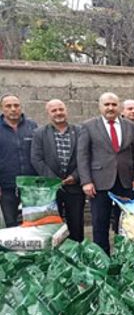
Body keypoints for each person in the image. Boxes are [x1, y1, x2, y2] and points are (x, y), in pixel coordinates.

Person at [77, 92, 134, 254]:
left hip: (126, 181)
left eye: (114, 104)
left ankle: (125, 255)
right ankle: (103, 258)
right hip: (99, 182)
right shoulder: (89, 126)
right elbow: (83, 155)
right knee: (100, 222)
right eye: (106, 105)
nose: (110, 108)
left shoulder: (129, 125)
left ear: (119, 106)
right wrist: (86, 181)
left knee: (126, 223)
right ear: (100, 107)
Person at [31, 99, 85, 242]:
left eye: (61, 109)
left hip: (74, 187)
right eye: (54, 110)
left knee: (77, 225)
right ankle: (56, 258)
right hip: (51, 188)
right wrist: (53, 180)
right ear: (48, 113)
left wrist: (76, 175)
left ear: (66, 110)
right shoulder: (39, 133)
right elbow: (36, 159)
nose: (58, 113)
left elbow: (86, 157)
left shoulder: (80, 131)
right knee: (52, 227)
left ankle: (78, 255)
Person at [0, 94, 38, 227]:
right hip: (7, 187)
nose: (13, 109)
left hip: (31, 186)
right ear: (2, 108)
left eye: (16, 105)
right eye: (8, 106)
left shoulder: (32, 126)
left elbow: (39, 154)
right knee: (11, 225)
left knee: (33, 224)